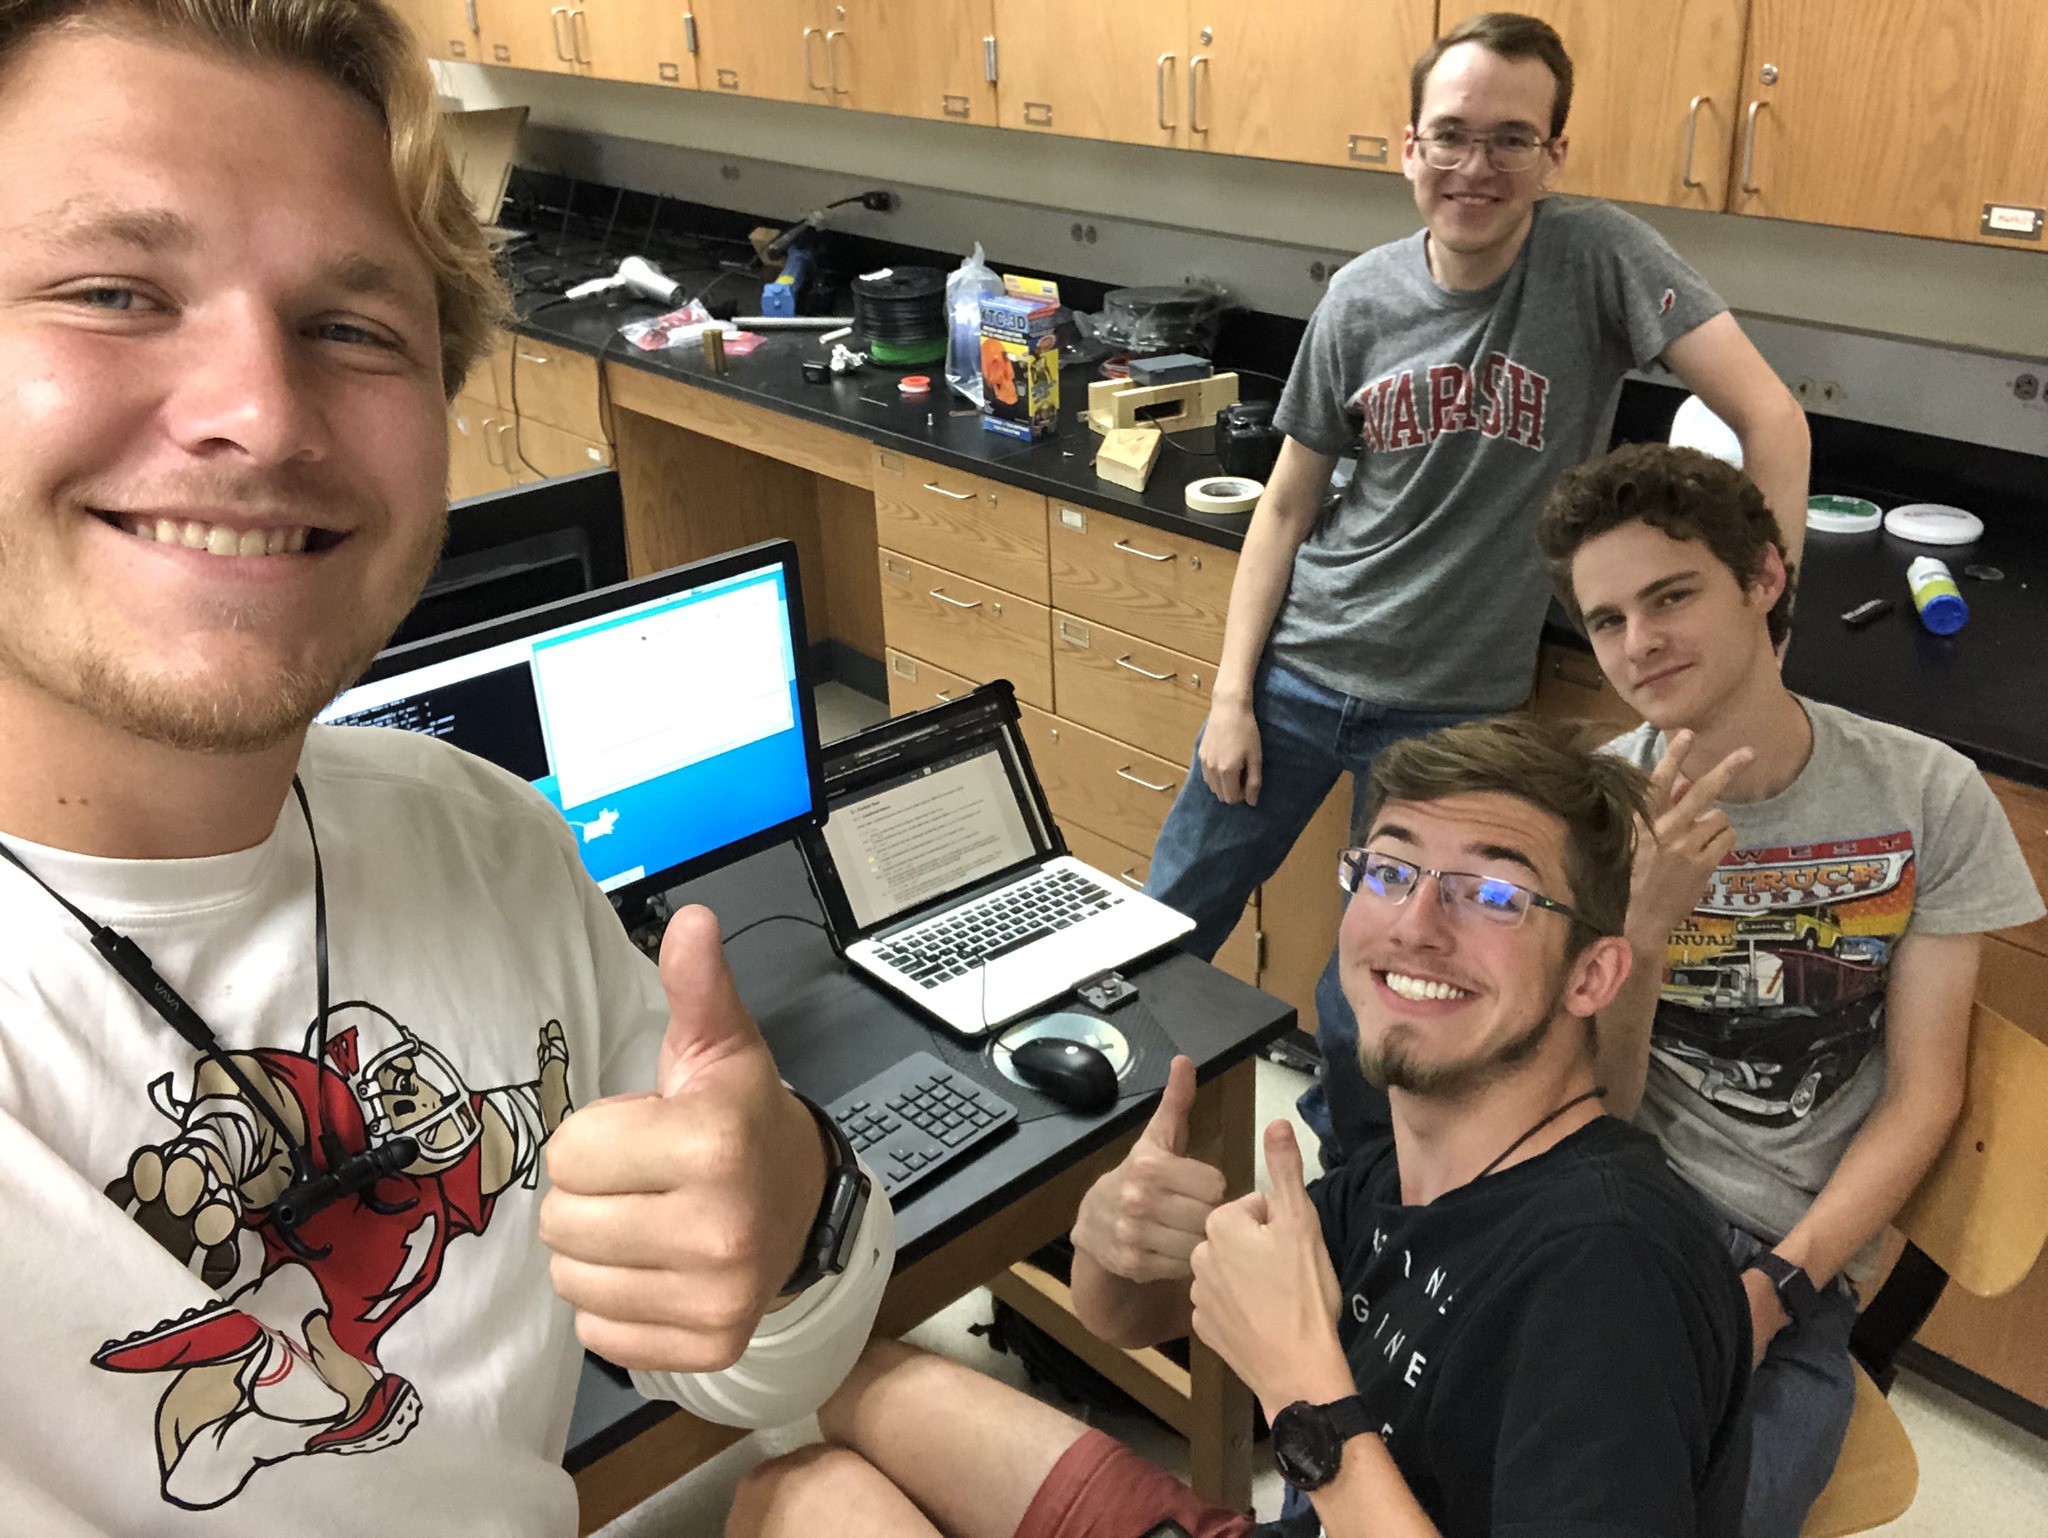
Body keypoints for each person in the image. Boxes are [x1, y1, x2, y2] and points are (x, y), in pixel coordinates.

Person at [0, 1, 890, 1529]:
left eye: (351, 327)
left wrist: (790, 1203)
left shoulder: (484, 835)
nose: (260, 416)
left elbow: (746, 1367)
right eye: (113, 291)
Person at [729, 717, 1754, 1538]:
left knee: (806, 1502)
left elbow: (1301, 1392)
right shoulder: (1401, 1176)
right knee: (834, 1402)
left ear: (1592, 973)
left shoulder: (1609, 1267)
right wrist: (1110, 1234)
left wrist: (1308, 1395)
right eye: (1390, 871)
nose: (1414, 924)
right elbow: (1123, 1313)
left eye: (1490, 892)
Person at [1142, 11, 1811, 1165]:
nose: (1475, 166)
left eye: (1511, 138)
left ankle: (1357, 1197)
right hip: (1300, 673)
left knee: (1387, 985)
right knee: (1164, 919)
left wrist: (1764, 635)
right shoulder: (1358, 299)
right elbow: (1288, 511)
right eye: (1448, 136)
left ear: (1554, 154)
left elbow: (1770, 419)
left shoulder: (1596, 258)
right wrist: (1228, 695)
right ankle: (1097, 1141)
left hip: (1455, 712)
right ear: (1405, 147)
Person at [1536, 442, 2045, 1537]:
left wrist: (1778, 1283)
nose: (1640, 644)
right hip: (1620, 1214)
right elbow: (1596, 1111)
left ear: (1765, 577)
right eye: (1608, 619)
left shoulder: (1922, 794)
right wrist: (1644, 921)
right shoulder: (1592, 811)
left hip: (1797, 1258)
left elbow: (1923, 1095)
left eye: (1670, 595)